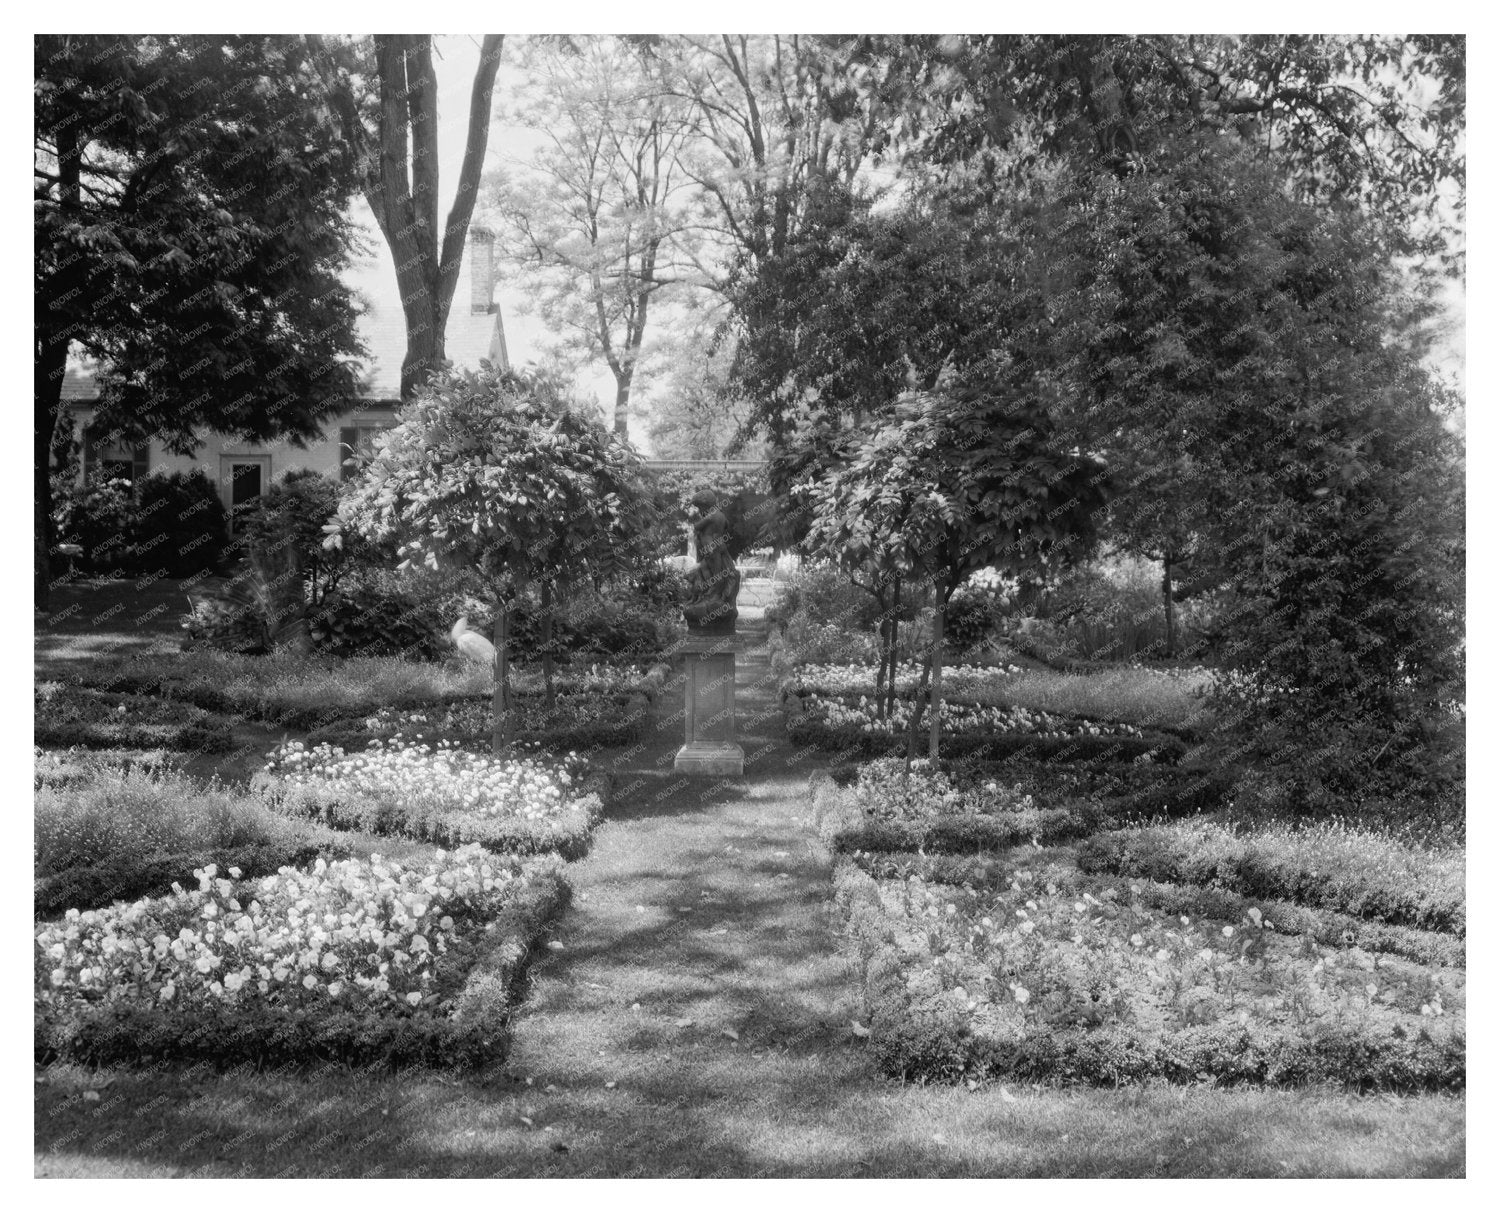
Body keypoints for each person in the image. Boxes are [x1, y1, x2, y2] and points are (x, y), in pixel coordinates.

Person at [682, 489, 740, 632]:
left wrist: (699, 526)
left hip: (710, 547)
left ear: (706, 504)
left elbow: (697, 527)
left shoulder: (711, 516)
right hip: (720, 545)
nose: (700, 510)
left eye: (700, 507)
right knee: (718, 572)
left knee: (714, 573)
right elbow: (726, 526)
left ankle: (714, 596)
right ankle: (714, 596)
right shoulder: (721, 515)